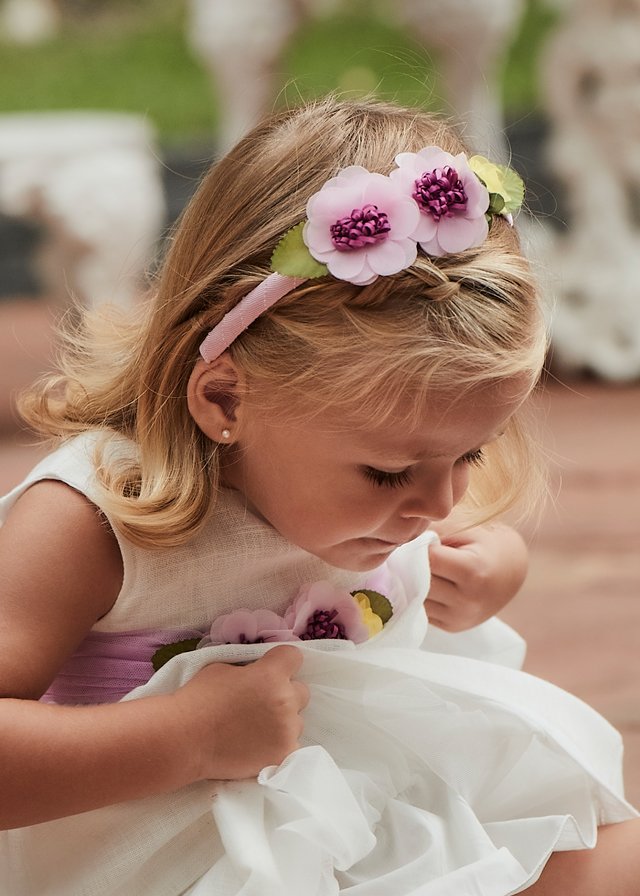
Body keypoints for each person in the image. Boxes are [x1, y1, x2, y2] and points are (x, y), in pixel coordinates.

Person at [0, 97, 636, 895]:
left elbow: (428, 544)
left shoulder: (371, 481)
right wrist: (183, 737)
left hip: (371, 812)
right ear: (227, 401)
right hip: (179, 855)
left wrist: (487, 572)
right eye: (388, 474)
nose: (438, 506)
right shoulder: (94, 522)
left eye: (469, 453)